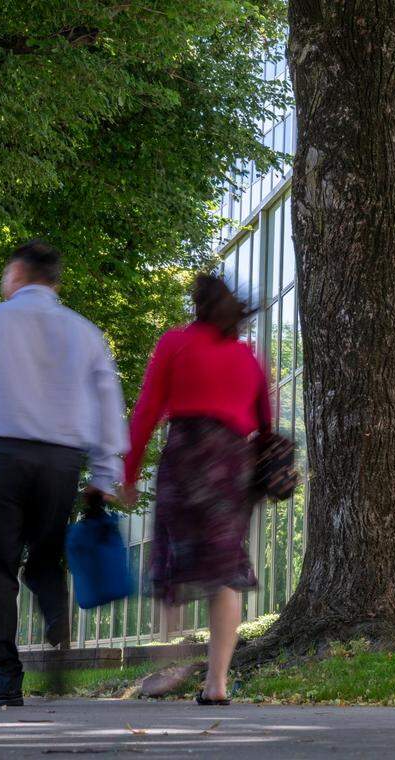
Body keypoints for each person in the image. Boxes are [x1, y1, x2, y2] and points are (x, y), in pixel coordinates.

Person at [0, 239, 128, 707]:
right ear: (54, 281)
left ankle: (4, 681)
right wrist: (102, 474)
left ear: (16, 274)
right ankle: (55, 608)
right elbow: (106, 408)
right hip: (61, 462)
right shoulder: (85, 333)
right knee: (45, 550)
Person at [122, 274, 271, 705]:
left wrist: (129, 472)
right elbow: (265, 419)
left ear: (198, 306)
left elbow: (147, 409)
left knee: (173, 559)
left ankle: (175, 654)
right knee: (225, 569)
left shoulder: (174, 344)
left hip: (185, 457)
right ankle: (217, 684)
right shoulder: (248, 357)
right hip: (231, 465)